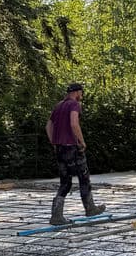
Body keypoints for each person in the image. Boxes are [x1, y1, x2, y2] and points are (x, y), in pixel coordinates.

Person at [45, 83, 105, 225]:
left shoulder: (59, 105)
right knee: (83, 178)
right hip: (72, 147)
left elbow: (48, 126)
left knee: (65, 182)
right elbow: (73, 123)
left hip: (60, 148)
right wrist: (81, 141)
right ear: (77, 92)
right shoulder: (74, 105)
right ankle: (90, 208)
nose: (81, 96)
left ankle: (56, 216)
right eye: (81, 93)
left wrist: (54, 142)